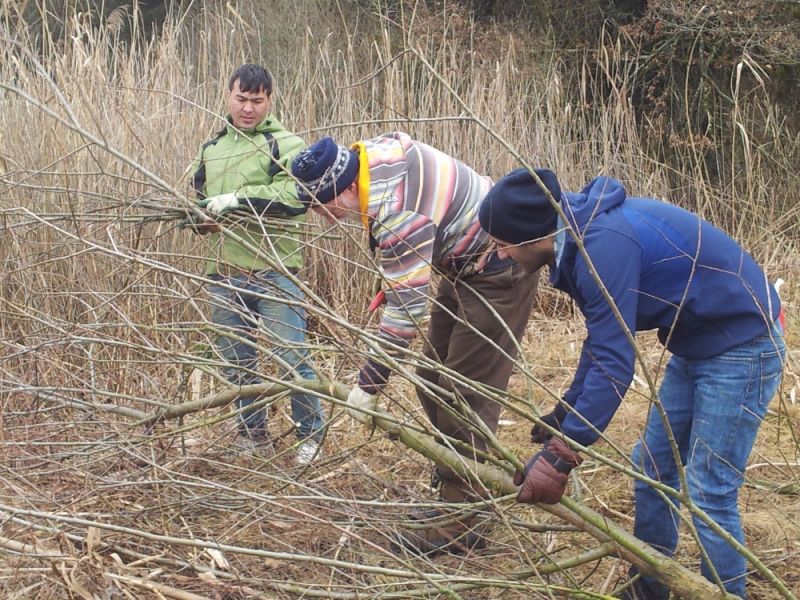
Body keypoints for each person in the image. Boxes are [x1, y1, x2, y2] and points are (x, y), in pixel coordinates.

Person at [479, 168, 786, 599]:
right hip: (699, 344)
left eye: (501, 244)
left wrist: (563, 454)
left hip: (744, 345)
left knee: (708, 491)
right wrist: (565, 413)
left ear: (532, 236)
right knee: (654, 470)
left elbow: (615, 364)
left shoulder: (603, 246)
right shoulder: (579, 240)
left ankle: (724, 594)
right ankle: (650, 587)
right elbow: (605, 338)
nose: (500, 255)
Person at [290, 133, 540, 554]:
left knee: (465, 393)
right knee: (431, 378)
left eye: (321, 204)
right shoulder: (371, 158)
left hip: (500, 270)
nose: (320, 216)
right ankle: (455, 486)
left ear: (348, 187)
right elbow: (412, 250)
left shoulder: (398, 214)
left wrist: (368, 387)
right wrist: (398, 278)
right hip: (461, 266)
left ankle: (459, 523)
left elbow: (406, 317)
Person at [189, 63, 324, 465]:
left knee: (291, 355)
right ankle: (252, 434)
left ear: (269, 100)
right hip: (224, 273)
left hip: (275, 270)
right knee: (236, 360)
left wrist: (237, 200)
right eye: (241, 99)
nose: (248, 108)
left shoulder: (288, 145)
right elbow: (196, 205)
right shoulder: (211, 150)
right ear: (228, 97)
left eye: (257, 100)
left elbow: (294, 198)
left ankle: (311, 435)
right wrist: (202, 219)